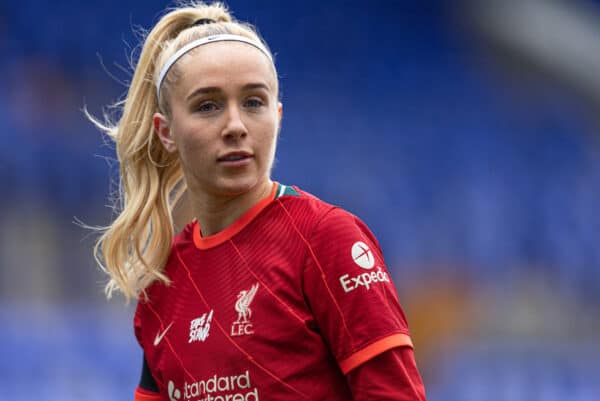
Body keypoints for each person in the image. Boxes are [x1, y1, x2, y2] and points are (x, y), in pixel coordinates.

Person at [90, 2, 428, 400]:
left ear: (278, 115)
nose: (235, 126)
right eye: (207, 106)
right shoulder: (164, 284)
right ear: (166, 132)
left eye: (253, 102)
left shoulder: (325, 239)